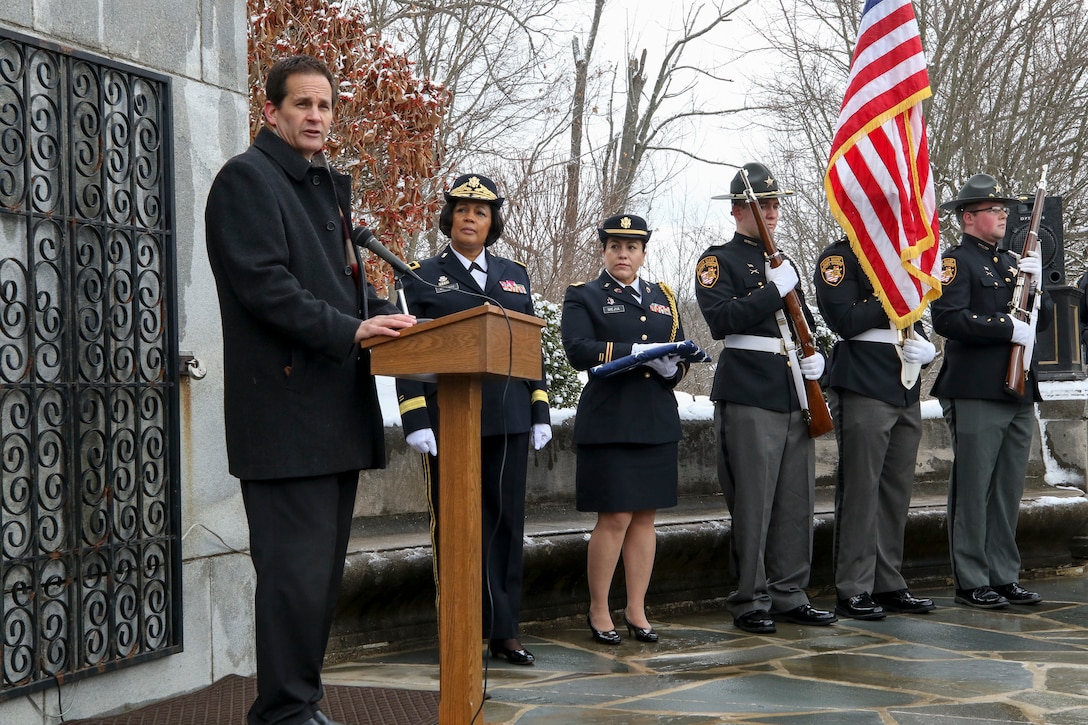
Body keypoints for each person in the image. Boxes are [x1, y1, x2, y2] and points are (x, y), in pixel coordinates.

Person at [205, 55, 416, 725]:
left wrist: (390, 312)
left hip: (332, 415)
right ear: (271, 112)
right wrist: (355, 329)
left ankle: (300, 704)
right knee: (293, 581)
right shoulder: (248, 180)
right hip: (285, 418)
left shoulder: (323, 186)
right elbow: (267, 289)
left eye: (325, 105)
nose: (316, 116)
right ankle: (283, 712)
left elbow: (337, 285)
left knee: (319, 581)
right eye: (302, 105)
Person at [395, 173, 552, 666]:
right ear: (449, 218)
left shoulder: (515, 275)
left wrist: (539, 408)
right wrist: (415, 416)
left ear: (492, 223)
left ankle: (504, 630)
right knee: (458, 526)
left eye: (480, 212)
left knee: (507, 525)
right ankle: (458, 627)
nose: (470, 217)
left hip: (507, 417)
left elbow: (531, 348)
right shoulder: (419, 273)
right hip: (450, 422)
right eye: (462, 209)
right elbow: (407, 348)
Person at [694, 162, 837, 634]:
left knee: (796, 500)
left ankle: (790, 592)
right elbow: (722, 321)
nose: (773, 213)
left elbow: (804, 325)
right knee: (753, 502)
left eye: (776, 205)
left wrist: (815, 361)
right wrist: (770, 294)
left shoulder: (785, 262)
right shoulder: (718, 261)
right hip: (749, 389)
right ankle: (750, 597)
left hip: (794, 387)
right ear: (739, 211)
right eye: (763, 205)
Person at [560, 214, 688, 645]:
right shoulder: (585, 296)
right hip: (611, 419)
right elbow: (578, 351)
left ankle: (636, 608)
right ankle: (599, 608)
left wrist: (673, 366)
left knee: (645, 519)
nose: (623, 253)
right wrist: (635, 351)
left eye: (632, 247)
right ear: (603, 250)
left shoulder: (662, 297)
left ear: (643, 253)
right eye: (615, 245)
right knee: (614, 516)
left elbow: (679, 350)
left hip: (654, 418)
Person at [930, 173, 1053, 609]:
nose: (1003, 215)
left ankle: (1003, 574)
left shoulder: (1009, 263)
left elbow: (1046, 321)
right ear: (968, 218)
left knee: (1007, 490)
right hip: (977, 387)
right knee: (974, 487)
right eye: (993, 210)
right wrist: (1006, 326)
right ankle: (971, 579)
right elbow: (947, 319)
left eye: (1005, 209)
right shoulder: (955, 262)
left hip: (1018, 389)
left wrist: (1037, 285)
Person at [814, 237, 938, 620]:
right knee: (861, 489)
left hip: (905, 379)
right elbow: (845, 321)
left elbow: (913, 313)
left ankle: (888, 580)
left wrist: (926, 346)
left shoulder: (902, 252)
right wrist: (890, 288)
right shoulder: (841, 256)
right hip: (864, 377)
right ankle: (853, 586)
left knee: (895, 492)